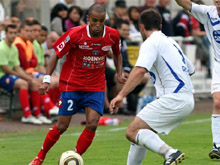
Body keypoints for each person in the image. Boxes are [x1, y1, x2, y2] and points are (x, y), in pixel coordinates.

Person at [29, 3, 125, 164]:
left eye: (102, 21)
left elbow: (117, 53)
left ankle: (74, 157)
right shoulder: (75, 34)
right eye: (94, 20)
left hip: (95, 86)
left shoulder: (113, 35)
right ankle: (40, 156)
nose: (98, 25)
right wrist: (46, 80)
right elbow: (56, 55)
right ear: (88, 19)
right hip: (72, 85)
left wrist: (119, 72)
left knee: (93, 123)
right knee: (61, 126)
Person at [110, 8, 195, 165]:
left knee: (131, 131)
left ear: (141, 27)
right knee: (141, 132)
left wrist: (120, 95)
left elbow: (140, 70)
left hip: (173, 98)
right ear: (161, 26)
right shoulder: (171, 41)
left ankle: (170, 152)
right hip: (187, 97)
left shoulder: (151, 42)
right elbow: (191, 70)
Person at [175, 0, 220, 159]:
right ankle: (217, 146)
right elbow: (185, 4)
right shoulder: (208, 12)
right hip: (219, 64)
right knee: (217, 102)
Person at [0, 24, 51, 124]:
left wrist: (27, 76)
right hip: (2, 76)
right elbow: (5, 69)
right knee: (24, 83)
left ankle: (38, 114)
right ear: (5, 34)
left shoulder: (14, 48)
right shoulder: (2, 47)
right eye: (10, 33)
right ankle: (27, 115)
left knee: (33, 82)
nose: (13, 35)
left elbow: (17, 67)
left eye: (15, 33)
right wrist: (24, 77)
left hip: (11, 75)